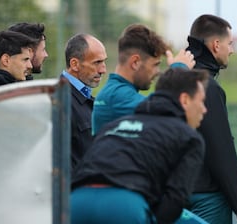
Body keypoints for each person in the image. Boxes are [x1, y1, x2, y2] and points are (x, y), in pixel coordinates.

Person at [71, 67, 209, 224]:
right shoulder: (188, 137)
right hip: (125, 206)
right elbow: (175, 199)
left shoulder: (114, 125)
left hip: (75, 203)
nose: (204, 110)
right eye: (201, 102)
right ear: (185, 100)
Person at [185, 14, 237, 223]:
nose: (231, 50)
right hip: (208, 198)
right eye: (229, 44)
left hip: (177, 194)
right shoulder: (208, 87)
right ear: (216, 45)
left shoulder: (174, 80)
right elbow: (220, 148)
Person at [92, 23, 196, 135]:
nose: (158, 72)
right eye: (155, 65)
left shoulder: (115, 92)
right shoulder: (117, 96)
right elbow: (167, 111)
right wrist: (179, 70)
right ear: (135, 62)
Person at [60, 34, 107, 172]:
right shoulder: (61, 101)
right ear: (74, 64)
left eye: (104, 62)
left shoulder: (81, 96)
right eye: (97, 62)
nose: (103, 69)